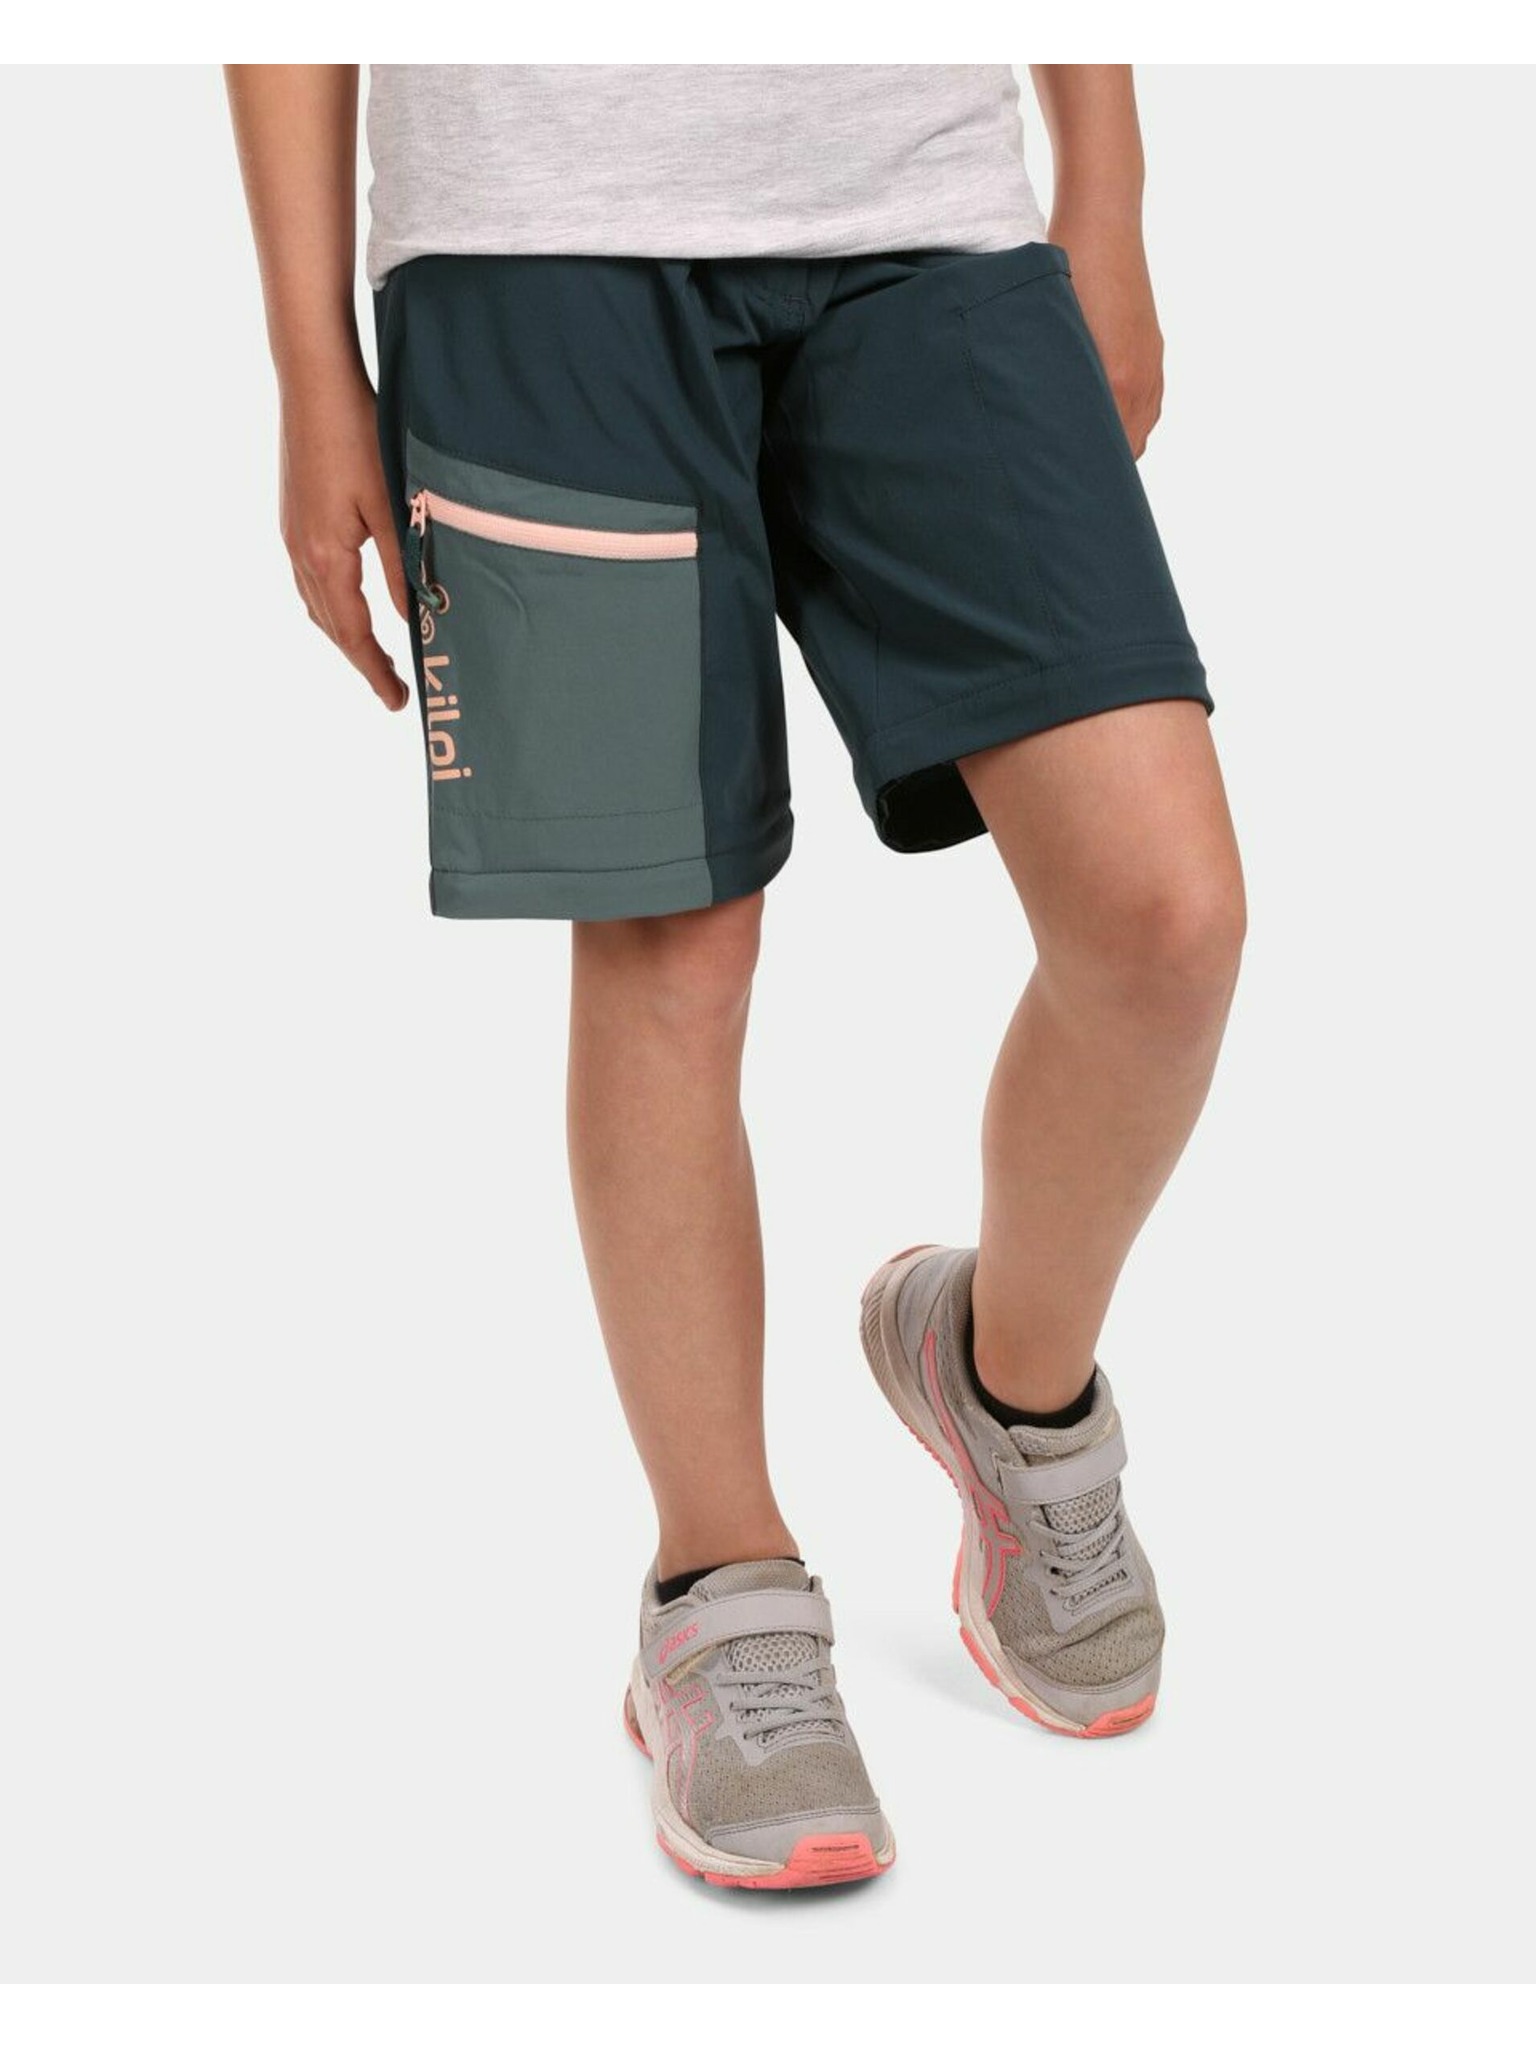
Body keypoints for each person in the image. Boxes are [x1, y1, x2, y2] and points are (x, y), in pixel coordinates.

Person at [226, 63, 1246, 1892]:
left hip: (925, 217)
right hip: (535, 242)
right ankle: (722, 1589)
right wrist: (313, 362)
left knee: (1165, 919)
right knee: (670, 939)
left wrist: (1108, 178)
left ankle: (1012, 1387)